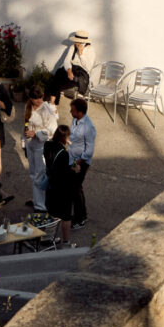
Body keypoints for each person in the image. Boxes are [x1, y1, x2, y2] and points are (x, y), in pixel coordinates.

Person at [24, 86, 57, 212]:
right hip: (30, 145)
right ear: (31, 98)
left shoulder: (47, 110)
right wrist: (24, 144)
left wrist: (36, 133)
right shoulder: (28, 107)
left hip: (41, 146)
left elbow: (52, 131)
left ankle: (41, 206)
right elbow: (25, 126)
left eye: (41, 98)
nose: (39, 101)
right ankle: (37, 200)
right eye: (36, 98)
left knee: (40, 175)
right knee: (33, 174)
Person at [44, 125, 78, 248]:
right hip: (63, 189)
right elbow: (70, 171)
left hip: (51, 186)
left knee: (51, 213)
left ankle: (47, 237)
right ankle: (66, 243)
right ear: (65, 138)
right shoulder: (64, 154)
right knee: (66, 216)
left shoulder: (47, 146)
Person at [68, 98, 96, 229]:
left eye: (72, 110)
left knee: (75, 189)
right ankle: (81, 214)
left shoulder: (88, 127)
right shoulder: (75, 120)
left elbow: (89, 151)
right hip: (73, 159)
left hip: (81, 162)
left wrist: (77, 163)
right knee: (75, 188)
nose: (70, 112)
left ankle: (80, 218)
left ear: (80, 112)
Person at [47, 30, 96, 106]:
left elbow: (89, 67)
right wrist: (69, 70)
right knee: (58, 73)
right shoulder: (72, 47)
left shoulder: (90, 50)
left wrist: (81, 54)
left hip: (81, 73)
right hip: (71, 68)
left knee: (57, 83)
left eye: (78, 42)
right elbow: (67, 60)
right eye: (76, 41)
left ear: (84, 42)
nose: (76, 43)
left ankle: (53, 105)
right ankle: (53, 104)